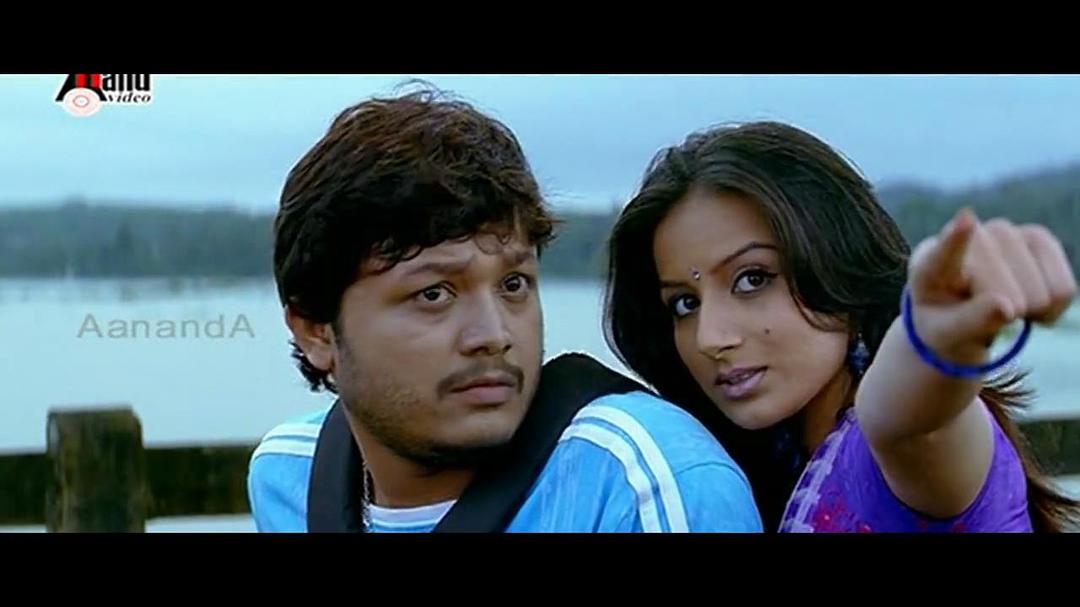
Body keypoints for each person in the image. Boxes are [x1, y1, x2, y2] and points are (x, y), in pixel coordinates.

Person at [246, 87, 763, 533]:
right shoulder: (290, 473)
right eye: (434, 294)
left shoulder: (637, 477)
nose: (494, 335)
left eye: (513, 285)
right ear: (316, 332)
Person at [605, 120, 1080, 532]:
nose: (710, 338)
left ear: (840, 267)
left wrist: (934, 336)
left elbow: (907, 417)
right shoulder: (760, 470)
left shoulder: (899, 451)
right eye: (685, 303)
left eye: (753, 279)